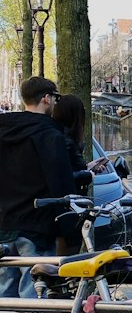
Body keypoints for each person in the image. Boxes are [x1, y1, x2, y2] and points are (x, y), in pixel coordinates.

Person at [0, 76, 78, 298]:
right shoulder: (50, 136)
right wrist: (70, 232)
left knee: (5, 294)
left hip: (4, 225)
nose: (55, 103)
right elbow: (60, 186)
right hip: (37, 227)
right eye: (55, 98)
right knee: (34, 294)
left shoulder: (4, 131)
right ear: (46, 98)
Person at [51, 94, 94, 253]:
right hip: (69, 209)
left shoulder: (58, 137)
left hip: (62, 210)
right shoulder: (67, 142)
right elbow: (65, 176)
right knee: (66, 259)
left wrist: (88, 167)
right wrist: (89, 175)